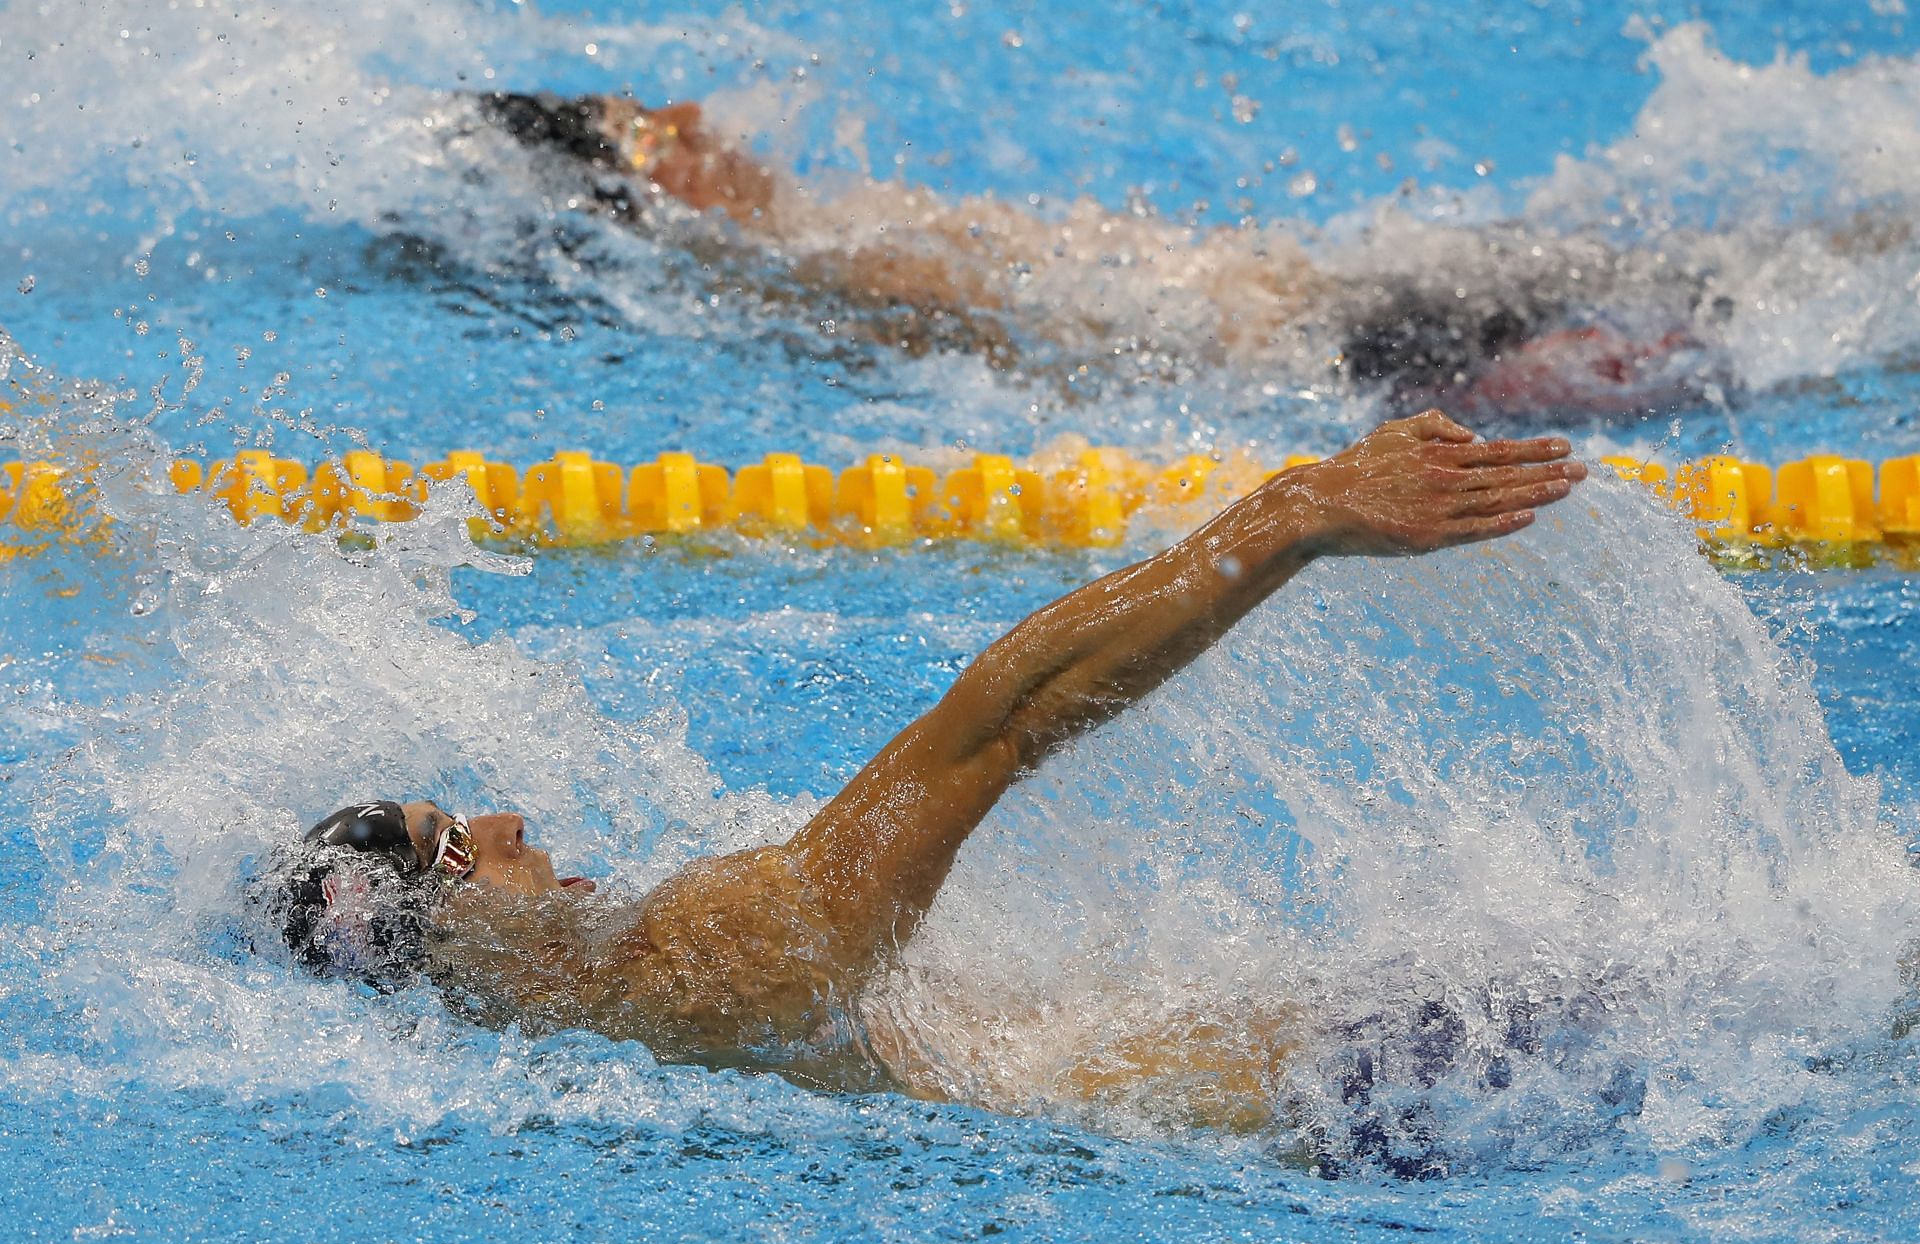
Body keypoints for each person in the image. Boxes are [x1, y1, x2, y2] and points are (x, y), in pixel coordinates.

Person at [259, 410, 1587, 1129]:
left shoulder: (596, 1040)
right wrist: (1289, 516)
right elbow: (1005, 721)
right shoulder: (705, 957)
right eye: (453, 847)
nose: (504, 819)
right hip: (1378, 1092)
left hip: (1341, 1092)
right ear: (449, 943)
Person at [470, 91, 1716, 416]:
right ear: (655, 185)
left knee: (1710, 297)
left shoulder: (825, 230)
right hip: (1299, 343)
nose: (699, 122)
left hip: (1307, 301)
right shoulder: (814, 263)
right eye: (653, 130)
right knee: (1707, 344)